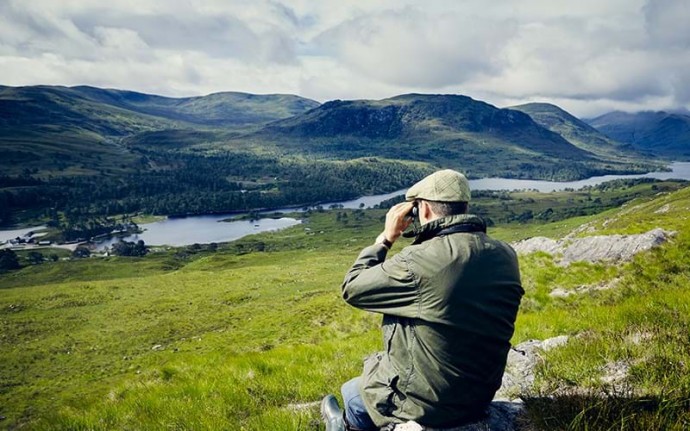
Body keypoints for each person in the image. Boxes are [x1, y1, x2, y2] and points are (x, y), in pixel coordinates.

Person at [321, 169, 523, 431]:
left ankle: (342, 425)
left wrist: (385, 239)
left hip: (430, 405)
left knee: (352, 394)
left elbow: (352, 288)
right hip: (480, 393)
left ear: (423, 210)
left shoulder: (418, 261)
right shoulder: (505, 254)